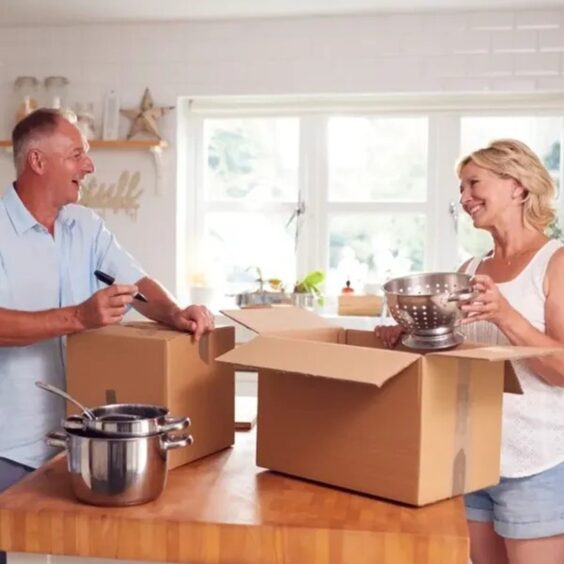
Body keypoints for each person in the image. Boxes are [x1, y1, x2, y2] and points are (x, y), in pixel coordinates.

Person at [0, 109, 215, 500]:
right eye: (76, 154)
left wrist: (173, 312)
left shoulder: (85, 225)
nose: (89, 165)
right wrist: (79, 317)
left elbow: (135, 281)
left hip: (81, 443)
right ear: (37, 160)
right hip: (9, 451)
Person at [375, 139, 564, 564]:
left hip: (538, 462)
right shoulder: (468, 272)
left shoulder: (556, 263)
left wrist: (506, 314)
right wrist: (406, 337)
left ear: (517, 186)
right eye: (461, 189)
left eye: (474, 184)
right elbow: (458, 357)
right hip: (473, 456)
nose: (464, 198)